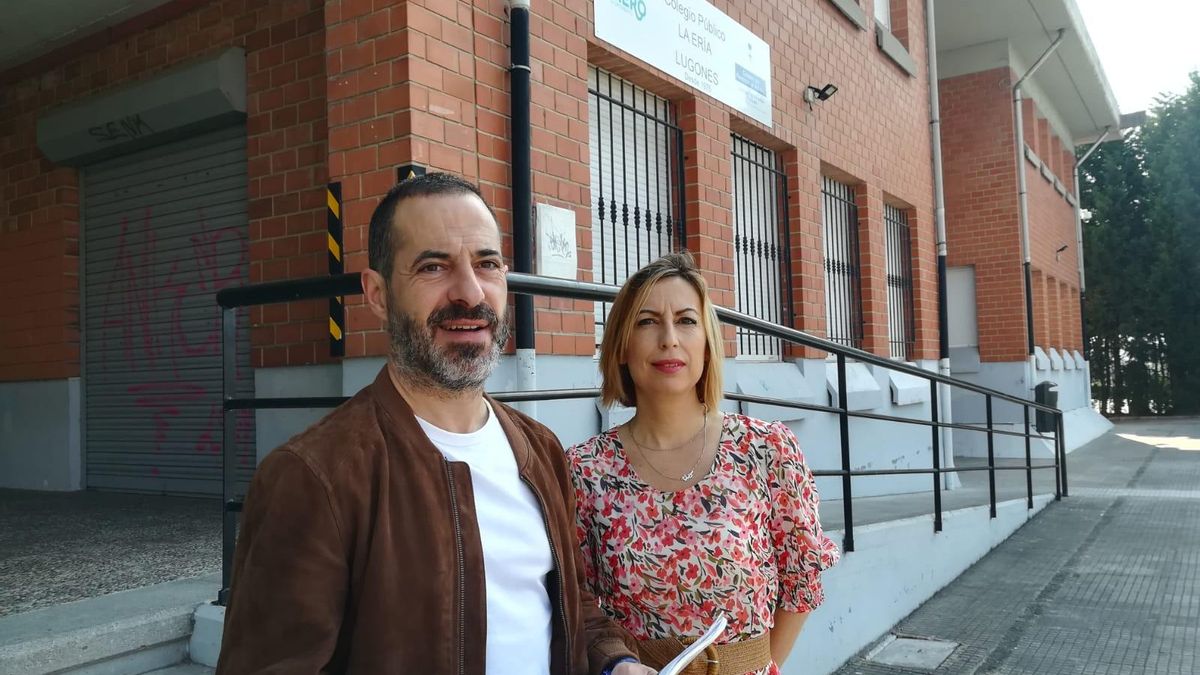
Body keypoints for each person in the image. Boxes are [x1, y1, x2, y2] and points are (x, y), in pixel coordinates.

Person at [217, 173, 653, 675]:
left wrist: (614, 662)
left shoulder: (540, 450)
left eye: (487, 264)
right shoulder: (315, 478)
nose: (469, 293)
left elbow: (571, 606)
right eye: (433, 267)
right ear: (378, 294)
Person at [567, 252, 841, 675]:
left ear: (708, 343)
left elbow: (801, 585)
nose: (669, 339)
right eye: (647, 321)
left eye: (686, 321)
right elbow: (578, 604)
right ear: (621, 345)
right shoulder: (586, 470)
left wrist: (759, 667)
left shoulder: (766, 449)